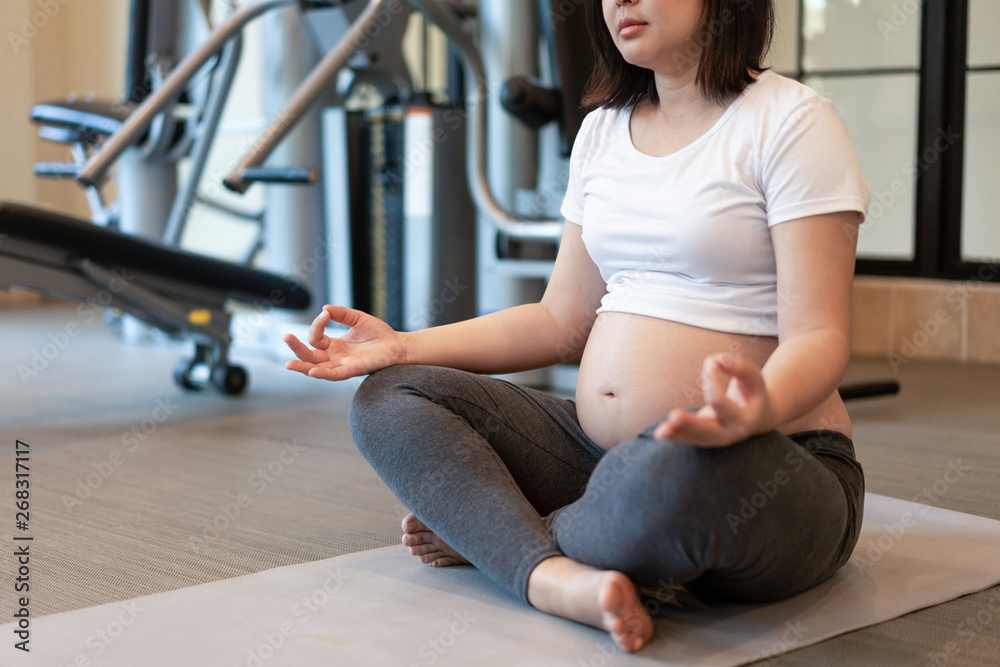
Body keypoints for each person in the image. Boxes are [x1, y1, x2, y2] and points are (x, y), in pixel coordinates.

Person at [284, 0, 870, 653]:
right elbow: (560, 320)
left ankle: (501, 535)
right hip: (601, 457)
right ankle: (553, 573)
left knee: (677, 471)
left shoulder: (790, 121)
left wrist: (758, 407)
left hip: (765, 463)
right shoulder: (601, 132)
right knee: (390, 398)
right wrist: (402, 345)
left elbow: (820, 337)